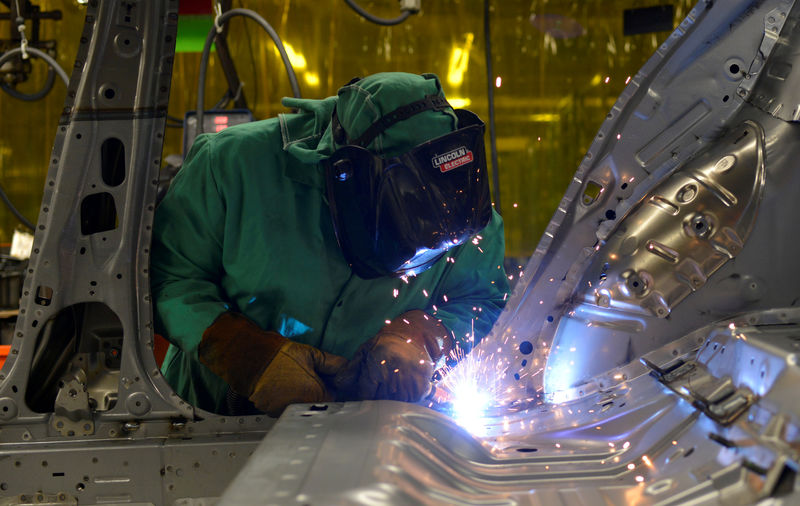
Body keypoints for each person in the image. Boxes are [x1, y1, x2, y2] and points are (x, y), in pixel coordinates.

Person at [151, 72, 510, 417]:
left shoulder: (466, 211)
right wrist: (244, 354)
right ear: (347, 175)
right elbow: (170, 278)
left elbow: (480, 299)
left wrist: (424, 336)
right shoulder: (231, 165)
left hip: (364, 432)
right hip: (209, 423)